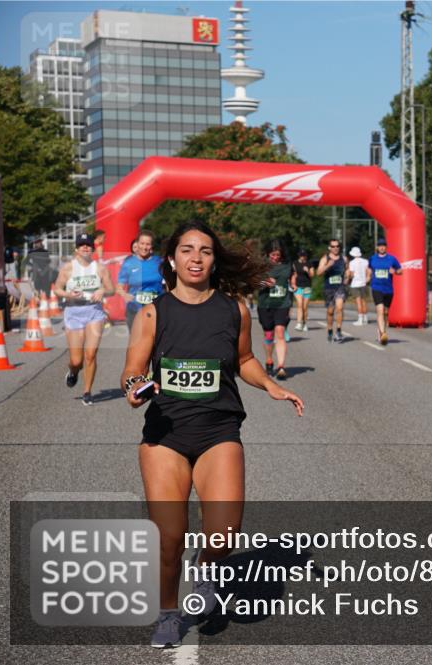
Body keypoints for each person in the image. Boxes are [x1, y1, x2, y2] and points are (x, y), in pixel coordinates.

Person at [120, 220, 303, 648]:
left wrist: (270, 385)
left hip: (218, 430)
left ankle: (205, 570)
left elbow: (244, 359)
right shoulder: (153, 313)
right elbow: (132, 370)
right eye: (187, 250)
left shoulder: (234, 309)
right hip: (165, 434)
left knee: (224, 534)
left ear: (214, 260)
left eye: (204, 250)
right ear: (172, 259)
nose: (196, 258)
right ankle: (168, 613)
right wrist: (135, 388)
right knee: (170, 538)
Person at [53, 233, 116, 405]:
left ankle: (87, 392)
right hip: (73, 313)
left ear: (92, 249)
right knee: (76, 360)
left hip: (94, 312)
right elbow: (57, 289)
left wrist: (102, 291)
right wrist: (68, 294)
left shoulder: (100, 268)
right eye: (82, 245)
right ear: (76, 249)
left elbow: (111, 289)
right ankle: (73, 372)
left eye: (88, 245)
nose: (85, 247)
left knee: (90, 354)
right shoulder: (68, 268)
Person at [256, 240, 295, 379]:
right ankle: (269, 359)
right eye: (273, 255)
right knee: (268, 335)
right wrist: (265, 283)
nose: (275, 257)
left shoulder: (287, 265)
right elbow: (254, 283)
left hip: (282, 303)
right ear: (268, 253)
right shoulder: (261, 266)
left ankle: (281, 367)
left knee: (280, 332)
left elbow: (292, 278)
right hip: (265, 304)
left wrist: (294, 285)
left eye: (278, 255)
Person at [117, 230, 164, 333]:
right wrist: (124, 295)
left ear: (152, 246)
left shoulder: (159, 262)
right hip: (134, 309)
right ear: (137, 244)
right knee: (136, 340)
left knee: (155, 340)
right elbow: (119, 287)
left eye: (148, 244)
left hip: (156, 309)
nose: (144, 247)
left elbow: (169, 283)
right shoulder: (128, 263)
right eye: (142, 243)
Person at [367, 238, 401, 345]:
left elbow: (400, 271)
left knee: (386, 312)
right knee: (380, 310)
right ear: (377, 247)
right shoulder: (372, 259)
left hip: (388, 289)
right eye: (380, 246)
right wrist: (367, 278)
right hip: (376, 288)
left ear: (386, 247)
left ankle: (382, 330)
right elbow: (369, 270)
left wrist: (395, 271)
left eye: (383, 246)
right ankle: (382, 334)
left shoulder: (392, 259)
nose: (382, 247)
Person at [317, 239, 348, 342]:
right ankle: (330, 329)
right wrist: (327, 265)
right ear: (329, 247)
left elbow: (347, 270)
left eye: (337, 246)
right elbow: (318, 273)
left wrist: (347, 277)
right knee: (330, 311)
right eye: (333, 246)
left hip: (340, 287)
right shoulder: (325, 259)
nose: (335, 248)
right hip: (329, 288)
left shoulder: (344, 258)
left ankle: (338, 331)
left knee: (339, 308)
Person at [292, 249, 314, 332]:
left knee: (305, 307)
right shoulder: (295, 263)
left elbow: (312, 275)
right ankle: (299, 323)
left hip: (307, 287)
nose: (302, 257)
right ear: (299, 255)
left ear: (306, 256)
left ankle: (304, 323)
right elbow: (294, 275)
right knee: (299, 304)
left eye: (304, 255)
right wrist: (293, 284)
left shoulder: (309, 263)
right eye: (301, 255)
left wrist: (307, 271)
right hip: (298, 287)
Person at [346, 246, 369, 326]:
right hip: (363, 283)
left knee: (358, 302)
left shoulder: (352, 263)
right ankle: (365, 318)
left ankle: (360, 320)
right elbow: (367, 272)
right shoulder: (365, 261)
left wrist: (348, 276)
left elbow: (352, 275)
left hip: (355, 284)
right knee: (364, 301)